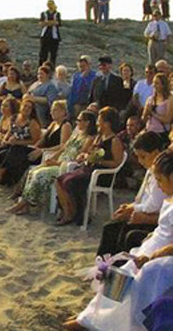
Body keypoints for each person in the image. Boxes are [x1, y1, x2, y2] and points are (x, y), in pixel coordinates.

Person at [65, 150, 173, 331]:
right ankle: (91, 317)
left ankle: (104, 321)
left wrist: (156, 254)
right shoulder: (169, 197)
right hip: (154, 247)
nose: (159, 186)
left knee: (137, 280)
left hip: (165, 257)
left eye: (161, 180)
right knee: (118, 275)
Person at [8, 110, 97, 215]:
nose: (76, 122)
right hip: (59, 162)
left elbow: (79, 159)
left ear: (87, 123)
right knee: (32, 171)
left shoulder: (89, 139)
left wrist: (57, 163)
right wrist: (53, 158)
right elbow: (63, 148)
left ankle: (23, 204)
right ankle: (26, 204)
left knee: (39, 174)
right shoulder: (77, 134)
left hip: (67, 167)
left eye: (79, 120)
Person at [96, 131, 167, 257]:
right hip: (146, 212)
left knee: (126, 233)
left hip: (154, 218)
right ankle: (103, 267)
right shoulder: (151, 170)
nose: (140, 161)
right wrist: (130, 206)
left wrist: (132, 208)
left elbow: (154, 205)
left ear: (156, 152)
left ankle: (117, 265)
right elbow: (143, 198)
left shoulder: (161, 175)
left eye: (143, 157)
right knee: (110, 226)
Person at [55, 107, 124, 226]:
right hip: (88, 168)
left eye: (99, 120)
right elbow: (88, 152)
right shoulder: (99, 137)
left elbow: (117, 163)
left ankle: (73, 213)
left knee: (70, 182)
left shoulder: (114, 141)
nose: (97, 123)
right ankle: (69, 211)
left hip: (101, 173)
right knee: (59, 180)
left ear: (107, 123)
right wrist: (86, 155)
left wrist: (100, 161)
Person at [0, 98, 43, 187]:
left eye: (29, 108)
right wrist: (6, 139)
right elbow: (10, 132)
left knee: (12, 152)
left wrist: (18, 142)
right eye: (25, 106)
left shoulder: (32, 123)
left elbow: (35, 141)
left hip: (26, 147)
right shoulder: (14, 118)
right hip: (12, 145)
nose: (26, 109)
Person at [142, 73, 173, 142]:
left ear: (163, 85)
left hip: (161, 132)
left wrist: (153, 113)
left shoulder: (169, 99)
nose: (154, 85)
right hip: (149, 130)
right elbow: (143, 119)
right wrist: (146, 112)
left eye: (157, 83)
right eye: (154, 83)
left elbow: (167, 119)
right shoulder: (150, 99)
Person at [38, 0, 62, 65]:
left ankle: (52, 68)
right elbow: (41, 23)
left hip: (54, 37)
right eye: (48, 4)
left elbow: (58, 22)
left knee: (53, 54)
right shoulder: (44, 13)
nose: (49, 5)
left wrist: (47, 23)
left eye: (51, 3)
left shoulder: (57, 13)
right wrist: (51, 22)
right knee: (43, 54)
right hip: (45, 36)